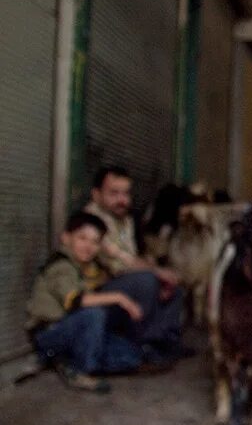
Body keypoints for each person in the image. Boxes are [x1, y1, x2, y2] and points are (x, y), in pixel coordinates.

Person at [25, 212, 145, 392]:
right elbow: (77, 301)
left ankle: (64, 360)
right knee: (94, 314)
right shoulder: (61, 266)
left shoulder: (84, 267)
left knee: (132, 356)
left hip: (74, 332)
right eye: (82, 238)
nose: (88, 246)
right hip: (51, 333)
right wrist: (121, 298)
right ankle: (79, 370)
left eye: (95, 242)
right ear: (66, 238)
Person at [85, 166, 189, 359]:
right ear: (96, 195)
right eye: (114, 193)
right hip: (97, 297)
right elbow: (119, 265)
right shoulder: (91, 222)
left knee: (173, 284)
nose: (122, 200)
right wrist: (158, 273)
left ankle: (164, 342)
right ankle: (144, 345)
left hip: (122, 286)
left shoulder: (124, 220)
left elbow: (132, 258)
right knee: (147, 280)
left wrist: (162, 274)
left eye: (125, 193)